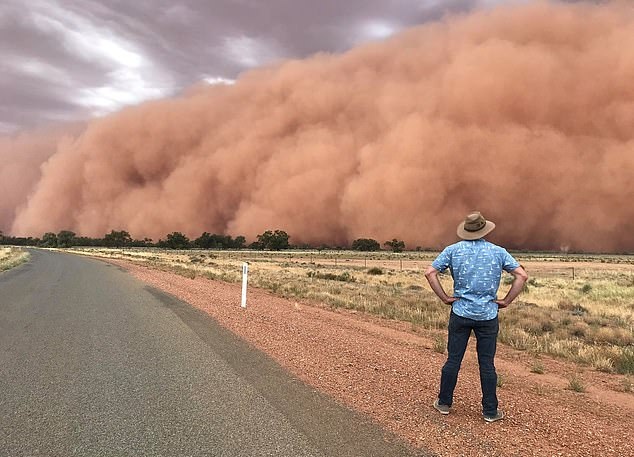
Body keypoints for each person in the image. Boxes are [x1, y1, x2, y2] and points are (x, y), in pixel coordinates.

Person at [424, 211, 528, 423]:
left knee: (453, 359)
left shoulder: (453, 250)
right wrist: (506, 300)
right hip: (488, 315)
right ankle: (490, 411)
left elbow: (430, 273)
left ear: (466, 229)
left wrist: (445, 297)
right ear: (484, 229)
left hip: (460, 312)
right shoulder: (498, 252)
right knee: (487, 363)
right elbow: (522, 275)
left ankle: (444, 403)